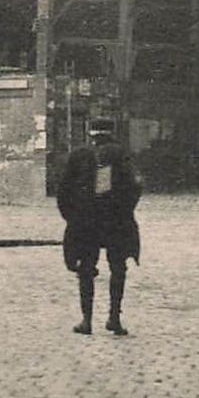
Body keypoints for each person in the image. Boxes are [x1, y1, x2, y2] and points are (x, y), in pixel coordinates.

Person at [57, 131, 142, 335]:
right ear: (110, 134)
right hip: (115, 222)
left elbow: (63, 190)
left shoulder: (79, 154)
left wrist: (72, 217)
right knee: (118, 268)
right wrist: (125, 210)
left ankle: (86, 321)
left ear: (90, 134)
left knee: (86, 269)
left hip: (86, 223)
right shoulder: (120, 153)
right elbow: (136, 186)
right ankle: (114, 317)